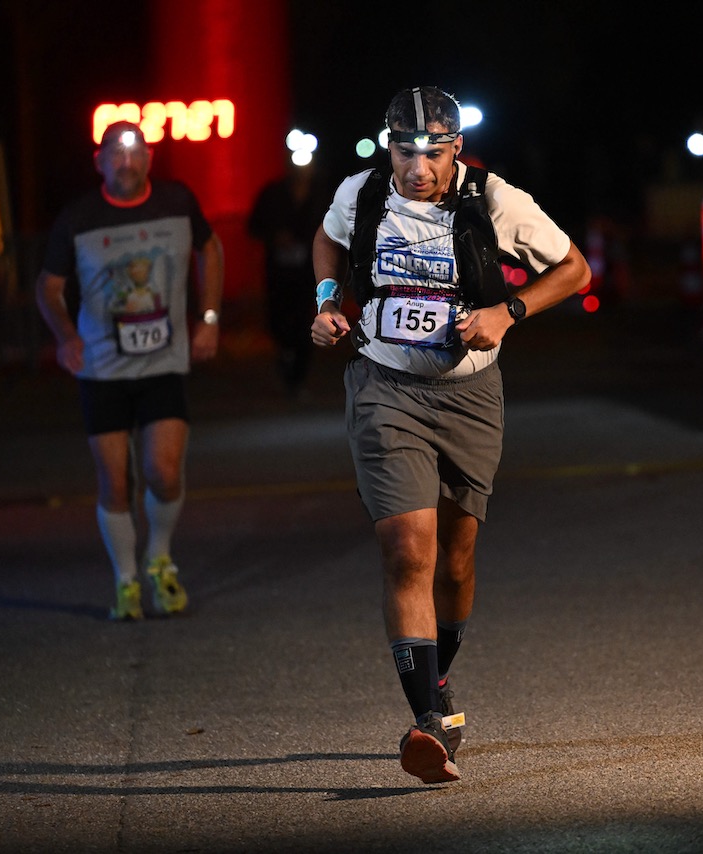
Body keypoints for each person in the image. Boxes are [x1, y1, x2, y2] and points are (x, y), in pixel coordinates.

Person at [309, 86, 591, 784]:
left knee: (457, 563)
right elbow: (327, 238)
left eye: (433, 153)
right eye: (405, 151)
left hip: (469, 394)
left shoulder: (496, 201)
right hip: (384, 385)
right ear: (388, 145)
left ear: (455, 149)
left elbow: (576, 269)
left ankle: (435, 686)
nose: (418, 168)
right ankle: (427, 723)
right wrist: (326, 304)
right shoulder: (363, 192)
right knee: (409, 551)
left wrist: (509, 310)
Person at [34, 120, 224, 621]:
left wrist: (208, 318)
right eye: (115, 154)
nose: (126, 162)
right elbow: (48, 287)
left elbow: (210, 248)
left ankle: (159, 558)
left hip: (164, 363)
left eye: (135, 152)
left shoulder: (176, 201)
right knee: (114, 481)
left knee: (163, 473)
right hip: (101, 368)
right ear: (99, 161)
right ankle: (125, 581)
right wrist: (66, 337)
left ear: (149, 158)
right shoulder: (78, 218)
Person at [248, 158, 330, 398]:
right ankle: (285, 358)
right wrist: (275, 236)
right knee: (278, 320)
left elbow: (335, 227)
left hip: (309, 272)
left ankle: (297, 378)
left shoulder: (319, 195)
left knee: (306, 321)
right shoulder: (272, 194)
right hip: (279, 272)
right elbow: (254, 225)